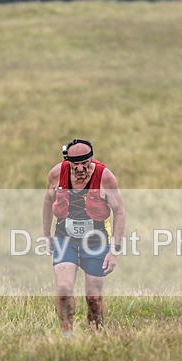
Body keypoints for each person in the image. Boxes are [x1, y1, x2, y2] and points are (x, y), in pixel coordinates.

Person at [42, 139, 126, 338]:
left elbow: (120, 212)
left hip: (96, 242)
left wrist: (114, 250)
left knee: (94, 297)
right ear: (67, 161)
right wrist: (46, 235)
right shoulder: (56, 174)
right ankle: (67, 336)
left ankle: (95, 337)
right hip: (65, 239)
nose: (80, 168)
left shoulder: (105, 177)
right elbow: (47, 201)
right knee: (63, 288)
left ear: (92, 159)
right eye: (75, 164)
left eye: (85, 163)